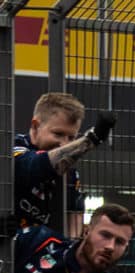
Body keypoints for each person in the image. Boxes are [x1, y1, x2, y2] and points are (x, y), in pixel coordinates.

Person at [13, 92, 115, 235]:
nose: (64, 144)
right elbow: (33, 166)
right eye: (58, 134)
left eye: (71, 137)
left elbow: (73, 225)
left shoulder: (71, 175)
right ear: (35, 126)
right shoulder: (12, 148)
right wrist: (91, 140)